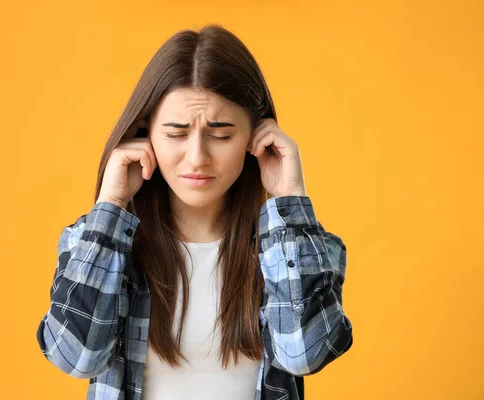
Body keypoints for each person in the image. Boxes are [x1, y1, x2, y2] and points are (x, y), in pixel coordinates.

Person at [36, 24, 353, 400]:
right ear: (144, 133)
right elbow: (76, 358)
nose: (198, 157)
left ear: (258, 136)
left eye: (221, 134)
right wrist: (110, 208)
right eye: (176, 133)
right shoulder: (97, 245)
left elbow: (304, 354)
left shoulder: (294, 249)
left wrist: (290, 197)